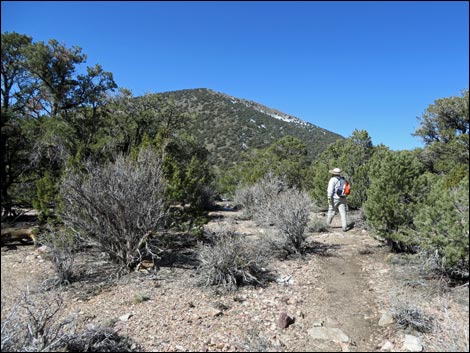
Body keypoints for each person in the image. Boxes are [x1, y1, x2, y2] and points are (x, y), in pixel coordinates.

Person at [326, 167, 351, 232]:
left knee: (331, 210)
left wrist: (329, 198)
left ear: (333, 173)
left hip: (334, 198)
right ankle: (344, 227)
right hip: (343, 197)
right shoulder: (343, 179)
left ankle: (327, 225)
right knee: (343, 213)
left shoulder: (332, 179)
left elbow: (330, 190)